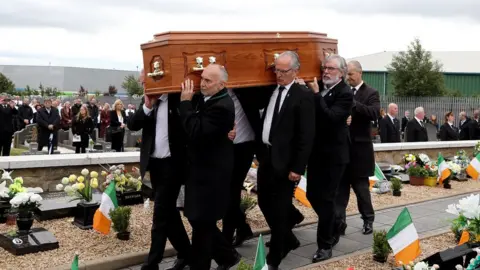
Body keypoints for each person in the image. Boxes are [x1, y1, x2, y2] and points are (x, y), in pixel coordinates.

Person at [128, 69, 192, 270]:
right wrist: (147, 106)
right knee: (168, 213)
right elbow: (132, 124)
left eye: (145, 82)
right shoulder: (149, 100)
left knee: (160, 214)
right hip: (155, 164)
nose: (143, 87)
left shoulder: (176, 99)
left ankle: (152, 263)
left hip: (173, 165)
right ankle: (187, 253)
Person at [179, 64, 240, 270]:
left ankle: (205, 264)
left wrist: (185, 104)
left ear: (222, 84)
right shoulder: (206, 98)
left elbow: (196, 130)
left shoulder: (222, 105)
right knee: (199, 221)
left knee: (202, 224)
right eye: (202, 78)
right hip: (200, 171)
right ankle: (227, 256)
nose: (202, 84)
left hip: (211, 175)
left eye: (208, 81)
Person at [257, 51, 315, 269]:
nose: (278, 75)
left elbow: (306, 135)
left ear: (295, 71)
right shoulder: (270, 90)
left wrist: (298, 167)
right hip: (266, 158)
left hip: (287, 163)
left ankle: (275, 257)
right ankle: (288, 239)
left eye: (283, 71)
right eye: (276, 70)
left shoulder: (303, 95)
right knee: (263, 201)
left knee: (281, 209)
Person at [302, 54, 352, 262]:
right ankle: (336, 222)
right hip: (316, 154)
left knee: (327, 198)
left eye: (331, 68)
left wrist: (316, 96)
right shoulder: (321, 88)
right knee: (313, 195)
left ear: (341, 73)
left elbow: (331, 118)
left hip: (334, 155)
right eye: (324, 67)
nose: (326, 71)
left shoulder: (345, 93)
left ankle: (325, 245)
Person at [336, 60, 379, 238]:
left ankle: (368, 220)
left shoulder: (371, 93)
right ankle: (339, 223)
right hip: (342, 150)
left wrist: (353, 104)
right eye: (346, 74)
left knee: (362, 191)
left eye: (351, 74)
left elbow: (374, 112)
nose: (348, 78)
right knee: (340, 191)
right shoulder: (342, 91)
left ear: (360, 73)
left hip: (360, 151)